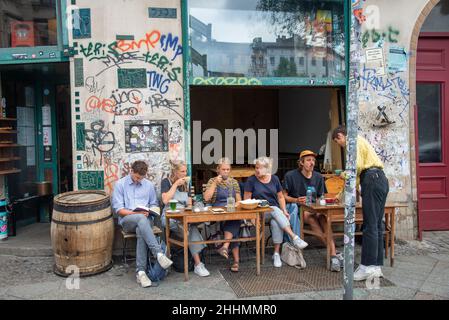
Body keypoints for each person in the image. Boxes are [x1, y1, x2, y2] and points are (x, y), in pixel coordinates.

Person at [332, 125, 389, 280]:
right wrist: (341, 193)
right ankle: (376, 266)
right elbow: (357, 177)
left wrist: (344, 174)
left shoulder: (353, 141)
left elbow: (355, 168)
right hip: (380, 179)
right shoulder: (361, 141)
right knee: (376, 225)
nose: (341, 145)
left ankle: (367, 266)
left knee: (370, 225)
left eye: (338, 142)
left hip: (370, 179)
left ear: (340, 136)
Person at [112, 160, 173, 288]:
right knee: (140, 218)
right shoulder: (120, 184)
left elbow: (154, 204)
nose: (138, 180)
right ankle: (158, 253)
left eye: (141, 178)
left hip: (146, 221)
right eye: (136, 177)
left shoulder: (148, 185)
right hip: (127, 220)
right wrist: (135, 214)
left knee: (141, 229)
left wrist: (151, 211)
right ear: (131, 171)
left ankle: (140, 272)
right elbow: (119, 210)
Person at [282, 150, 343, 272]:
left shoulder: (318, 177)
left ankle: (333, 254)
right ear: (301, 163)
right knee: (311, 218)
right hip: (300, 208)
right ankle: (334, 253)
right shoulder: (291, 176)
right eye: (309, 160)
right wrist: (296, 200)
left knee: (323, 218)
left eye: (313, 160)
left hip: (316, 208)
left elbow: (322, 196)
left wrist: (322, 202)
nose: (312, 163)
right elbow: (284, 196)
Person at [244, 156, 308, 268]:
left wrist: (284, 210)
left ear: (267, 169)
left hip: (275, 213)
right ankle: (294, 237)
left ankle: (276, 254)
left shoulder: (274, 179)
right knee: (274, 209)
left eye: (260, 168)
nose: (257, 170)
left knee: (275, 221)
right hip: (259, 213)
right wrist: (251, 217)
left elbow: (281, 197)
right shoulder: (251, 180)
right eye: (256, 167)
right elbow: (246, 201)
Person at [161, 160, 210, 277]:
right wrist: (175, 184)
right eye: (182, 171)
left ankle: (197, 264)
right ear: (175, 172)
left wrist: (190, 207)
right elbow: (165, 200)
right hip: (170, 216)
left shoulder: (186, 184)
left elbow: (188, 203)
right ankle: (198, 264)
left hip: (183, 215)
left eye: (185, 171)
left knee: (191, 227)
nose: (185, 173)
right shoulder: (166, 182)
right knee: (190, 231)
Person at [203, 157, 242, 272]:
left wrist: (236, 204)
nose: (226, 172)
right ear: (218, 170)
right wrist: (215, 183)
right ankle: (236, 261)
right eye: (223, 169)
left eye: (228, 169)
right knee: (234, 222)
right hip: (217, 210)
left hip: (231, 209)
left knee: (235, 219)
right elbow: (206, 198)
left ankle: (225, 247)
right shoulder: (212, 181)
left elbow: (239, 200)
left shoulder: (234, 182)